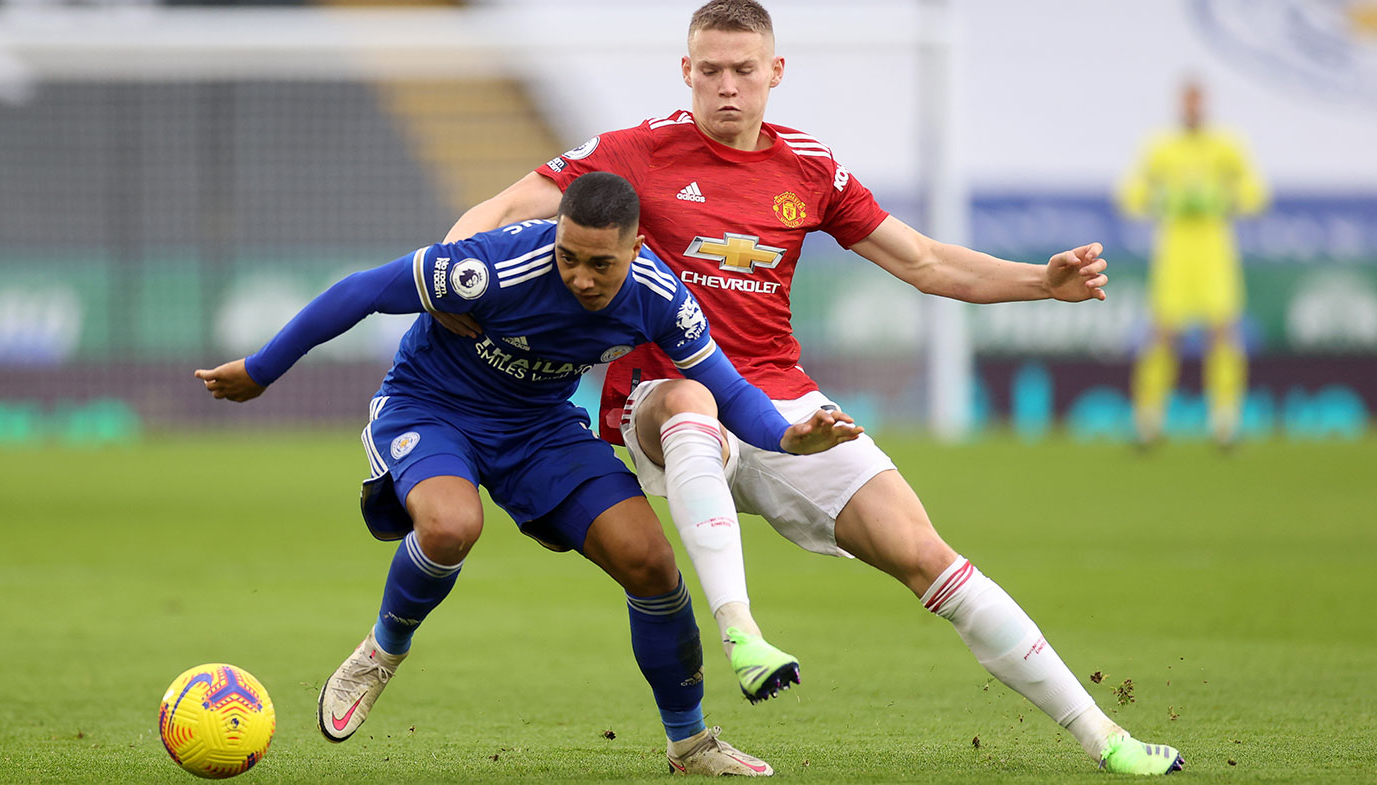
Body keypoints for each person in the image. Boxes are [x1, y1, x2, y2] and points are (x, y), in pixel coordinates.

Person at [428, 0, 1183, 775]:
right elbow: (510, 205)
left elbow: (921, 261)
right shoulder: (638, 152)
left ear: (774, 74)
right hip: (662, 394)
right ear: (686, 72)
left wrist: (1040, 283)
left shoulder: (809, 168)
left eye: (744, 71)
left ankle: (1105, 737)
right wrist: (449, 271)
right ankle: (741, 631)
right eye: (711, 70)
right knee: (691, 400)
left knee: (927, 553)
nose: (727, 87)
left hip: (782, 402)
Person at [195, 171, 863, 777]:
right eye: (568, 256)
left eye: (600, 263)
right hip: (433, 406)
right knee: (452, 524)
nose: (579, 275)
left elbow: (730, 388)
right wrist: (259, 371)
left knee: (652, 563)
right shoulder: (495, 266)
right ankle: (382, 649)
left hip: (539, 427)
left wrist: (785, 434)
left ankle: (690, 745)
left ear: (635, 251)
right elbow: (362, 291)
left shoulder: (660, 298)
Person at [1118, 79, 1268, 447]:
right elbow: (1130, 194)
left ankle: (1225, 422)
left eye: (1197, 101)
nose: (1192, 108)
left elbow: (1255, 193)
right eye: (1187, 101)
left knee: (1223, 332)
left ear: (1206, 104)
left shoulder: (1225, 146)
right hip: (1174, 253)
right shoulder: (1161, 148)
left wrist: (1222, 199)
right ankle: (1148, 421)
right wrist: (1163, 201)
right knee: (1163, 334)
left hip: (1215, 252)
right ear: (1179, 105)